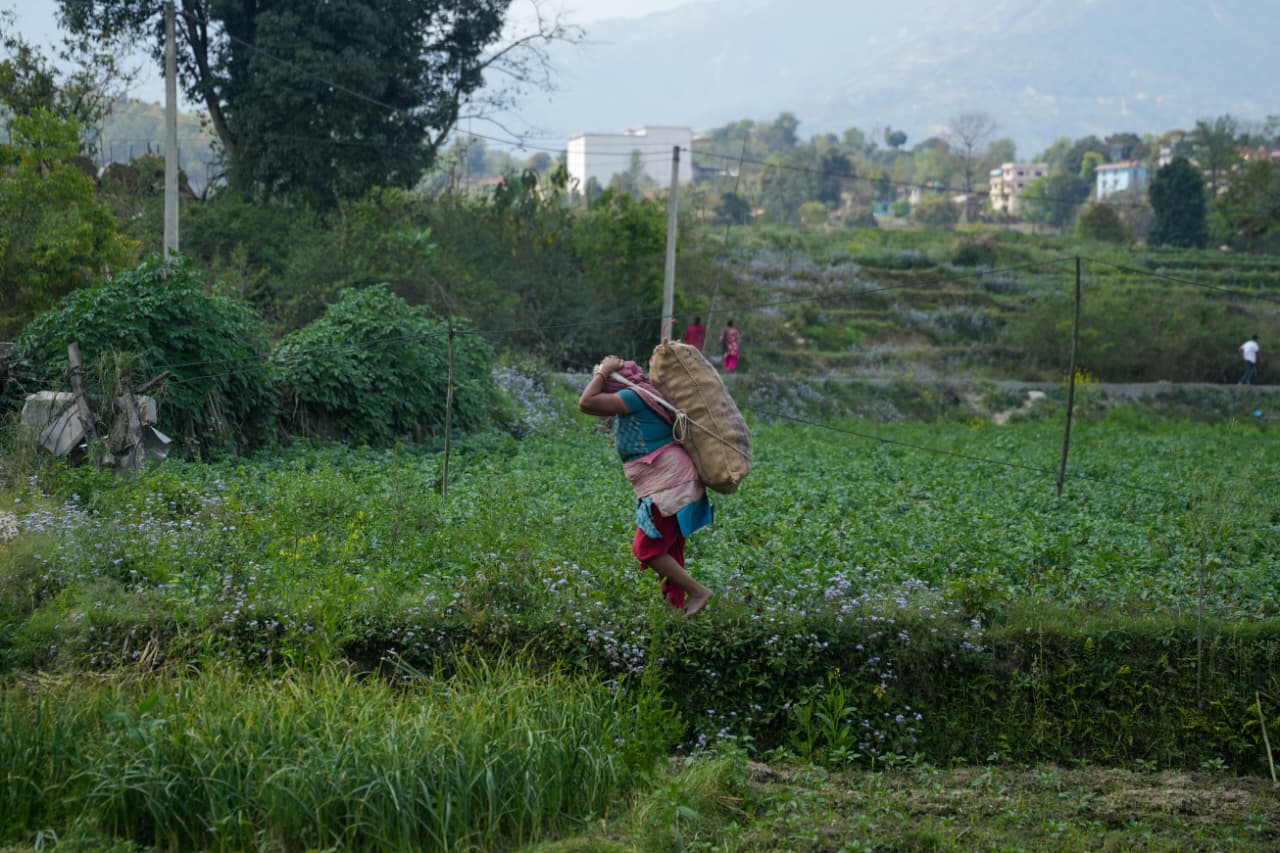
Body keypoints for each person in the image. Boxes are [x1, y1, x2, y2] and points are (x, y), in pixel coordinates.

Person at [578, 355, 714, 615]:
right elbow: (592, 408)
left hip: (671, 484)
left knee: (646, 548)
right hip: (676, 481)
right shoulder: (645, 394)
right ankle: (676, 613)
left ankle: (699, 592)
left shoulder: (634, 396)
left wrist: (603, 371)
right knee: (670, 551)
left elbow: (586, 402)